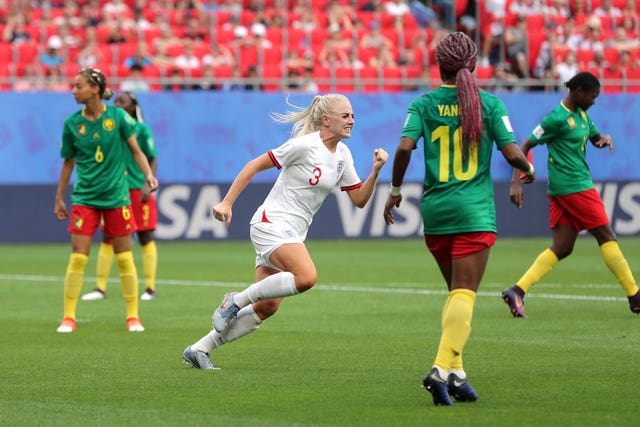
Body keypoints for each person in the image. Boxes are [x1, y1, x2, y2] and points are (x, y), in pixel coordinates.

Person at [382, 32, 536, 406]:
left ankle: (458, 375)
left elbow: (404, 146)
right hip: (473, 210)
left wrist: (396, 188)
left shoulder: (423, 103)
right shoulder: (490, 103)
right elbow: (512, 151)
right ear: (474, 65)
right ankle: (439, 369)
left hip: (435, 211)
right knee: (465, 294)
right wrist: (527, 168)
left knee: (456, 293)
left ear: (440, 67)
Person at [182, 94, 389, 369]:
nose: (352, 120)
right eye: (345, 115)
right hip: (272, 223)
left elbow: (359, 200)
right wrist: (226, 202)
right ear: (326, 120)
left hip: (291, 232)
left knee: (267, 307)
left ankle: (200, 348)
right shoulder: (304, 146)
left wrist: (375, 171)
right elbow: (254, 165)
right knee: (306, 277)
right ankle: (235, 299)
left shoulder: (342, 155)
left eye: (352, 115)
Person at [502, 71, 640, 319]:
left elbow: (595, 137)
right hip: (574, 185)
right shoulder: (556, 118)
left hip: (565, 189)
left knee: (563, 247)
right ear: (578, 92)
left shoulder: (583, 115)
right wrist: (516, 182)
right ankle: (635, 296)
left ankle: (516, 290)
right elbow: (523, 146)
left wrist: (604, 139)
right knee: (606, 234)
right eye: (592, 96)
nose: (594, 101)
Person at [53, 68, 158, 333]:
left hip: (116, 197)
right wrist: (59, 198)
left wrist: (148, 175)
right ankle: (68, 317)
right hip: (85, 197)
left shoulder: (118, 116)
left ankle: (133, 317)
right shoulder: (72, 123)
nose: (74, 90)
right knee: (78, 258)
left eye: (79, 86)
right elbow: (68, 162)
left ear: (95, 89)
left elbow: (136, 151)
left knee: (124, 257)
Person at [82, 91, 159, 302]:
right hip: (115, 190)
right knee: (108, 237)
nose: (117, 105)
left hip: (137, 189)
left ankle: (150, 287)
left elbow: (152, 158)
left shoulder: (142, 130)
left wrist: (147, 183)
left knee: (144, 236)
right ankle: (100, 287)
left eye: (122, 102)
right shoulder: (111, 129)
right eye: (115, 102)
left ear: (132, 106)